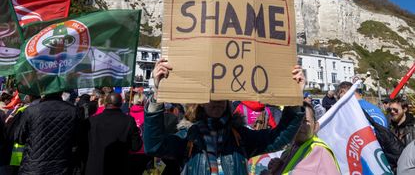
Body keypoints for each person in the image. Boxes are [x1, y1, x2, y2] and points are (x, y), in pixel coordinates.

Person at [144, 59, 306, 174]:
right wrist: (158, 95)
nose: (217, 101)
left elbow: (279, 138)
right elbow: (154, 146)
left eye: (222, 96)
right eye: (212, 97)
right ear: (201, 102)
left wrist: (294, 96)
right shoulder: (188, 138)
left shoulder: (240, 137)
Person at [13, 92, 79, 174]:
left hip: (33, 167)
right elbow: (78, 140)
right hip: (62, 167)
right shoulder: (73, 110)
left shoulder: (31, 110)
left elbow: (19, 138)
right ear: (61, 92)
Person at [267, 102, 340, 174]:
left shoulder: (320, 151)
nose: (300, 125)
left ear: (315, 126)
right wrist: (278, 166)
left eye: (305, 121)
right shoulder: (290, 149)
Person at [85, 93, 141, 175]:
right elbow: (136, 146)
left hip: (96, 167)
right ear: (121, 104)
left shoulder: (93, 120)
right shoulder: (128, 121)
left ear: (105, 103)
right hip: (118, 167)